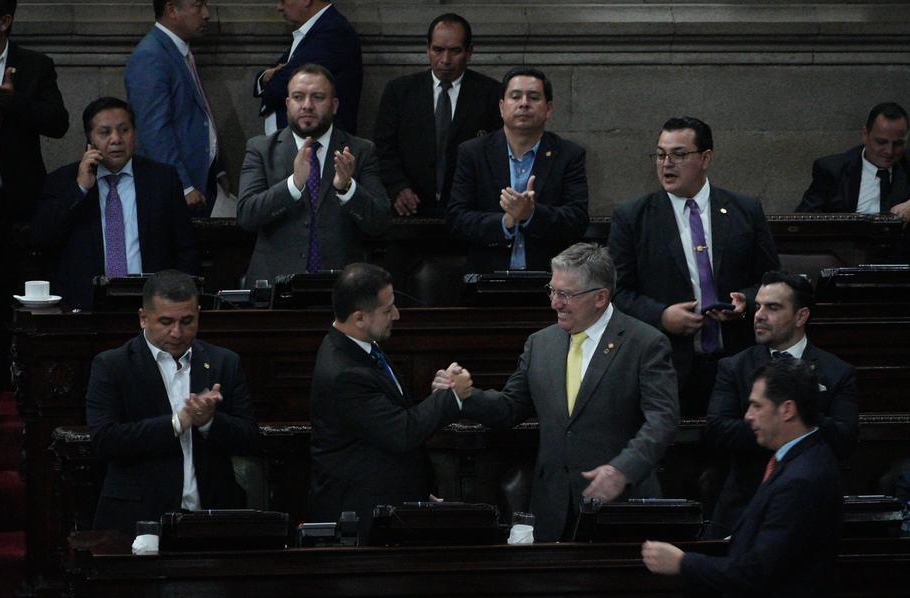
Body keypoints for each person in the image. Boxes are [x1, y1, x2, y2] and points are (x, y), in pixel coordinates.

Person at [449, 243, 679, 542]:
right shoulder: (540, 344)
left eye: (566, 294)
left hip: (621, 508)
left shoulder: (645, 343)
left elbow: (662, 421)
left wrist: (622, 470)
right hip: (553, 510)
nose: (555, 303)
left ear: (601, 297)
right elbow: (510, 408)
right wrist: (465, 395)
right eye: (552, 291)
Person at [643, 358, 843, 598]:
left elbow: (756, 571)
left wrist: (682, 562)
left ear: (787, 410)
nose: (748, 415)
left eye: (757, 405)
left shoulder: (802, 478)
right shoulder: (799, 460)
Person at [608, 116, 779, 418]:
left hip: (736, 362)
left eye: (679, 154)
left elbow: (773, 281)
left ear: (705, 158)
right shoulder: (632, 217)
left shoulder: (744, 210)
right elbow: (617, 293)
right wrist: (661, 316)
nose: (666, 163)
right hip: (666, 366)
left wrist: (747, 302)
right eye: (661, 154)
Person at [86, 270, 259, 536]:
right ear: (143, 318)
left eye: (187, 321)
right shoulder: (112, 366)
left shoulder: (225, 362)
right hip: (138, 520)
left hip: (213, 519)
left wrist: (209, 422)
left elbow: (249, 439)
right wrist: (177, 423)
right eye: (166, 322)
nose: (177, 332)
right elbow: (105, 440)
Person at [308, 262, 470, 539]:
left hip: (388, 504)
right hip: (363, 521)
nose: (396, 314)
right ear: (359, 318)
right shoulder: (344, 373)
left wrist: (437, 393)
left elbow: (389, 416)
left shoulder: (360, 347)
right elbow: (402, 432)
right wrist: (451, 397)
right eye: (387, 310)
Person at [0, 0, 69, 424]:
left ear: (5, 20)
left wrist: (14, 104)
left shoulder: (34, 66)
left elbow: (58, 122)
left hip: (10, 205)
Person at [704, 270, 858, 537]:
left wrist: (793, 414)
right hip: (743, 504)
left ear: (801, 316)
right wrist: (790, 427)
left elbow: (844, 439)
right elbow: (718, 429)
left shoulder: (837, 372)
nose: (759, 315)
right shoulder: (734, 367)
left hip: (811, 509)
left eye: (772, 307)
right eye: (758, 305)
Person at [34, 97, 199, 311]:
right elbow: (43, 237)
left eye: (124, 130)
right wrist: (80, 188)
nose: (116, 139)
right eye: (105, 132)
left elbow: (186, 247)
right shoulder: (63, 181)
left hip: (152, 304)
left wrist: (177, 300)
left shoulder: (162, 179)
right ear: (89, 139)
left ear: (135, 133)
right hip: (85, 307)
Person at [237, 64, 390, 285]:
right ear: (288, 104)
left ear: (334, 105)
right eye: (298, 97)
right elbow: (247, 216)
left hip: (343, 288)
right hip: (275, 288)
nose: (307, 105)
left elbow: (380, 223)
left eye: (318, 97)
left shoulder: (360, 151)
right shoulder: (260, 149)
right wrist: (293, 184)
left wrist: (347, 189)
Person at [447, 66, 589, 272]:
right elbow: (457, 219)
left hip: (550, 282)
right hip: (486, 279)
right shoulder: (473, 153)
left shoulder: (568, 154)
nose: (524, 104)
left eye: (533, 97)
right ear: (501, 107)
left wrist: (531, 214)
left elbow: (577, 220)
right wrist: (507, 220)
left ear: (548, 109)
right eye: (515, 97)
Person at [374, 13, 501, 218]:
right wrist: (398, 187)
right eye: (438, 50)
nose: (445, 60)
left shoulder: (491, 94)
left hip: (469, 213)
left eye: (455, 51)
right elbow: (383, 147)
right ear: (427, 48)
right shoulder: (400, 92)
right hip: (410, 213)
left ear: (469, 52)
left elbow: (497, 153)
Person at [124, 0, 229, 216]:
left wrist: (216, 168)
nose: (207, 14)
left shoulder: (176, 49)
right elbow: (154, 132)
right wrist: (183, 185)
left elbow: (197, 114)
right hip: (179, 187)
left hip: (200, 178)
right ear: (172, 10)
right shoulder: (151, 55)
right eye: (198, 6)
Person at [254, 0, 362, 135]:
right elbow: (273, 76)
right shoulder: (314, 32)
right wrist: (265, 77)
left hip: (316, 146)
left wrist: (270, 77)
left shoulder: (333, 32)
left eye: (283, 1)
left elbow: (281, 85)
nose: (279, 7)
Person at [796, 102, 910, 220]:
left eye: (898, 144)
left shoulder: (907, 163)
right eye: (881, 142)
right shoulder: (832, 169)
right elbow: (803, 220)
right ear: (865, 135)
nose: (889, 151)